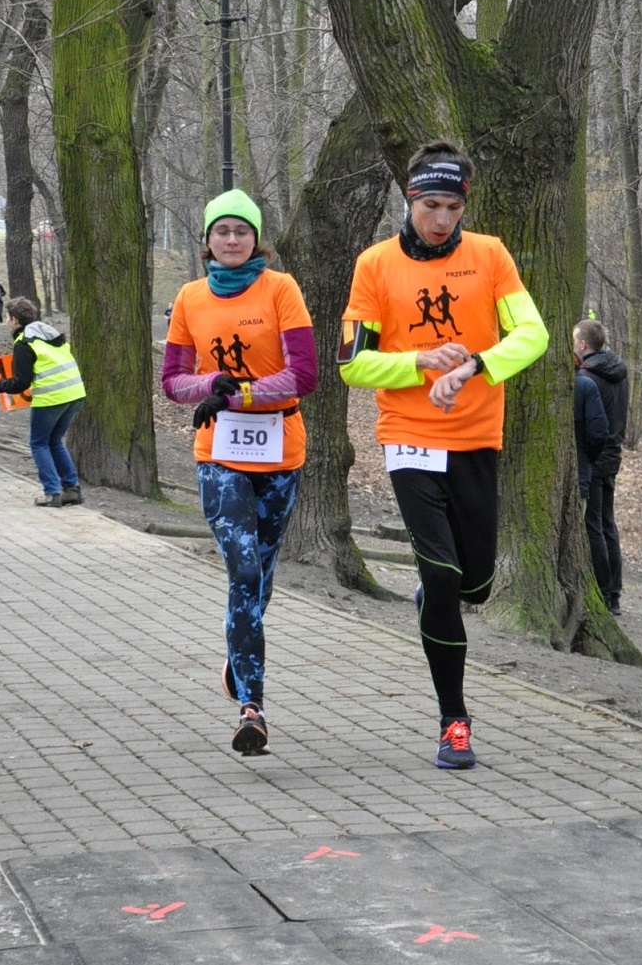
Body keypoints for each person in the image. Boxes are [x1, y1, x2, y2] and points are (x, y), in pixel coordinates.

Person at [338, 142, 549, 770]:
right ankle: (454, 721)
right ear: (410, 199)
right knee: (440, 574)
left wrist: (475, 365)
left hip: (476, 437)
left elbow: (533, 334)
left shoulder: (489, 255)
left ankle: (438, 594)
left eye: (453, 207)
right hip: (409, 437)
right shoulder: (375, 265)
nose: (442, 219)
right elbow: (352, 365)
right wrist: (419, 362)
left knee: (474, 585)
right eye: (431, 205)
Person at [162, 189, 317, 757]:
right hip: (219, 453)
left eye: (242, 231)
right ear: (207, 239)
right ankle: (253, 707)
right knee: (244, 569)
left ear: (256, 239)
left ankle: (238, 652)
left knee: (262, 577)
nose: (232, 239)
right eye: (222, 231)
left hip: (280, 451)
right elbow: (173, 381)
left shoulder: (281, 289)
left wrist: (239, 394)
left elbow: (304, 375)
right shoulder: (189, 296)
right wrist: (209, 385)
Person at [0, 297, 86, 508]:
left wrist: (1, 386)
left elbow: (22, 382)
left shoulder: (24, 342)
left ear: (15, 319)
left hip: (52, 397)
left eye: (7, 317)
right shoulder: (49, 335)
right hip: (75, 393)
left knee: (39, 443)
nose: (6, 321)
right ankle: (72, 489)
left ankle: (52, 493)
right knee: (54, 441)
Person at [573, 318, 629, 615]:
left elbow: (594, 428)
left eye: (574, 341)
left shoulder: (587, 377)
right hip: (613, 455)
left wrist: (589, 458)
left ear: (583, 344)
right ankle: (614, 593)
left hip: (595, 458)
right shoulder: (619, 373)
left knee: (593, 525)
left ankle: (605, 593)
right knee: (607, 524)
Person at [574, 359, 608, 506]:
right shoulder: (585, 385)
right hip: (578, 475)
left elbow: (598, 434)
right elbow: (598, 433)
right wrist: (587, 459)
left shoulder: (585, 386)